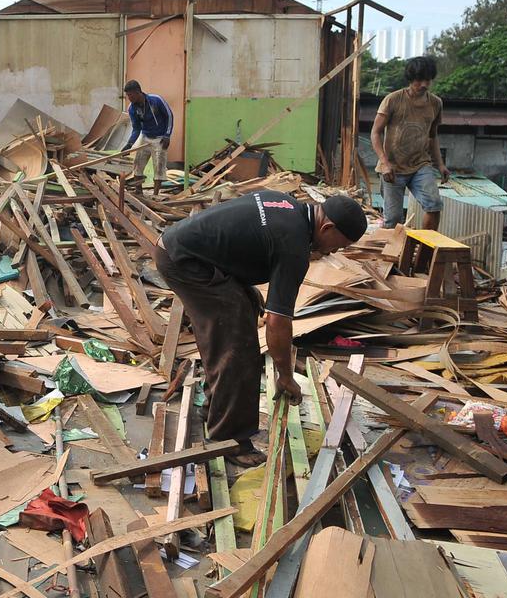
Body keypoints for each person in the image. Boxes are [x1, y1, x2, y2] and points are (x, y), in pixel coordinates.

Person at [153, 192, 367, 467]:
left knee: (248, 304)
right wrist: (285, 375)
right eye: (339, 245)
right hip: (185, 262)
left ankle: (215, 408)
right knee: (238, 347)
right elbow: (278, 322)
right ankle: (229, 439)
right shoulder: (294, 246)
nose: (334, 252)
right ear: (327, 228)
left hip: (183, 249)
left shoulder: (288, 205)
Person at [371, 56, 450, 230]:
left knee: (434, 205)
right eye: (419, 80)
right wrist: (384, 163)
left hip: (420, 165)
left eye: (428, 80)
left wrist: (441, 165)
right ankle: (393, 255)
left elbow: (433, 136)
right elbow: (375, 133)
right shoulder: (393, 100)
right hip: (393, 168)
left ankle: (424, 251)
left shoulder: (436, 103)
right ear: (411, 79)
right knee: (393, 221)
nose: (424, 85)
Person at [121, 80, 173, 189]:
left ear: (138, 92)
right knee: (137, 164)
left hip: (160, 139)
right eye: (127, 95)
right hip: (145, 136)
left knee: (159, 167)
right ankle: (138, 191)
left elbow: (169, 116)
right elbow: (136, 128)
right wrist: (129, 145)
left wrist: (167, 135)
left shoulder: (156, 100)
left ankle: (155, 195)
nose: (129, 98)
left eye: (130, 95)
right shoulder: (132, 108)